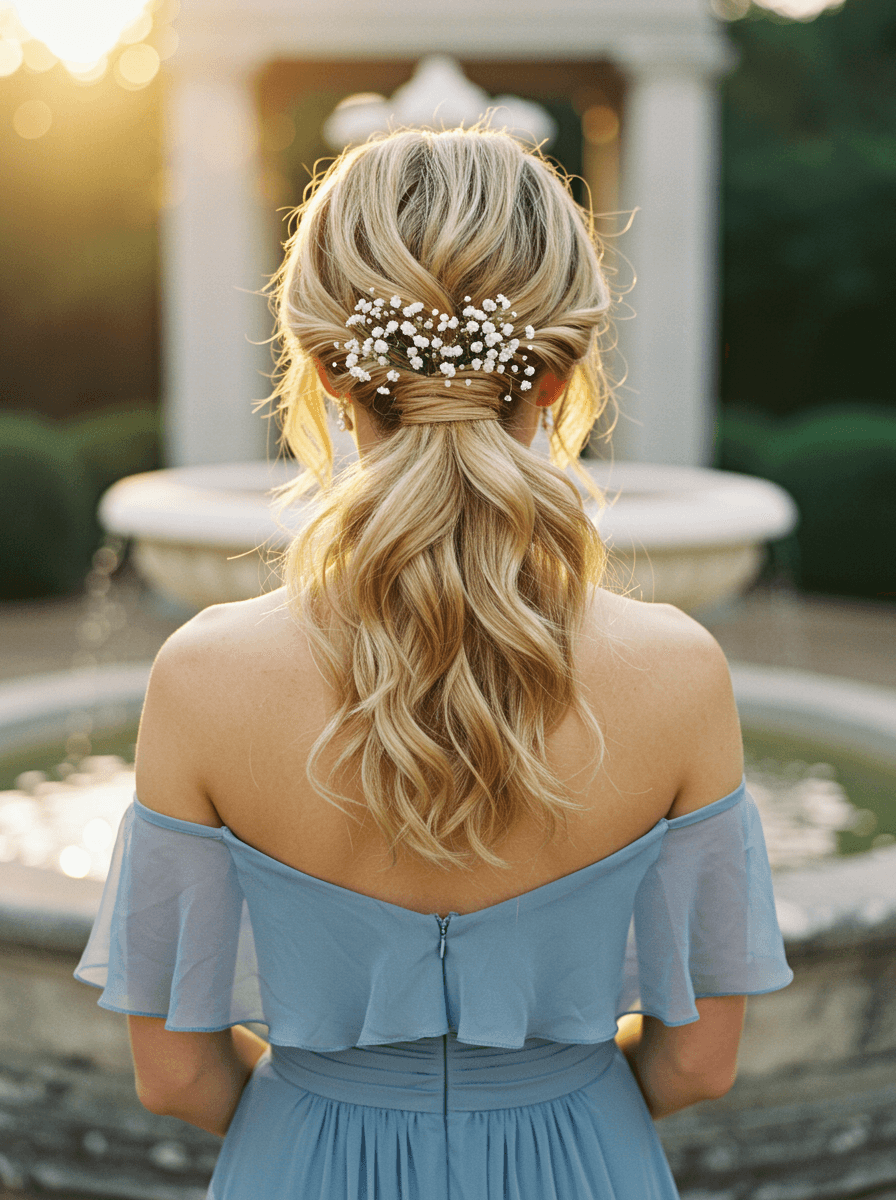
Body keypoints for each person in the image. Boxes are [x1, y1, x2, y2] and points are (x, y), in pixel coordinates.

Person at [76, 126, 792, 1200]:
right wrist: (554, 1111)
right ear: (556, 376)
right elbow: (698, 1058)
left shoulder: (200, 676)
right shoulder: (681, 672)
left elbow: (174, 1070)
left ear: (320, 369)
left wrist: (321, 1120)